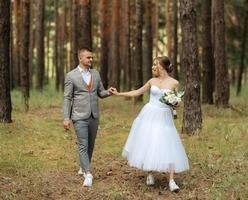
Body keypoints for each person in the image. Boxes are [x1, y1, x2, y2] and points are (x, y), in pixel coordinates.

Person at [110, 56, 189, 192]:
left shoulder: (174, 83)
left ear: (163, 66)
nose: (153, 66)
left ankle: (171, 181)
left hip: (164, 116)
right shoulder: (152, 81)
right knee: (149, 142)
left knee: (168, 143)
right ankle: (150, 173)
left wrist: (176, 102)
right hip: (149, 114)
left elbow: (178, 103)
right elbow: (137, 92)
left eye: (155, 64)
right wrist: (118, 93)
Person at [62, 47, 113, 187]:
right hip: (79, 116)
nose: (91, 59)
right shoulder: (71, 76)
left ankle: (83, 167)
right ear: (80, 58)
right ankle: (88, 173)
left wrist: (109, 92)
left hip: (94, 115)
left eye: (91, 57)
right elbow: (67, 98)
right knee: (83, 144)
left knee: (91, 144)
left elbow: (101, 93)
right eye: (88, 57)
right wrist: (66, 117)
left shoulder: (95, 74)